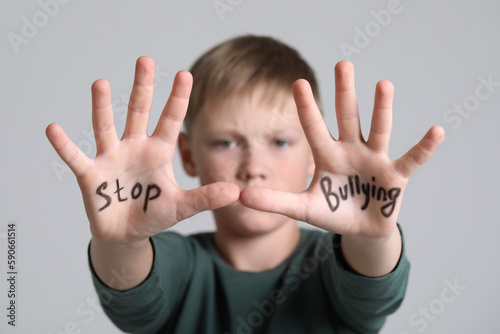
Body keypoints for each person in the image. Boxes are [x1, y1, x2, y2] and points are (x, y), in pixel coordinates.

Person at [46, 35, 444, 333]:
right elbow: (133, 301)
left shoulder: (333, 261)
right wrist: (121, 242)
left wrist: (374, 238)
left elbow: (374, 292)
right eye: (226, 142)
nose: (254, 166)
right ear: (187, 154)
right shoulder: (179, 264)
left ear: (314, 156)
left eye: (280, 142)